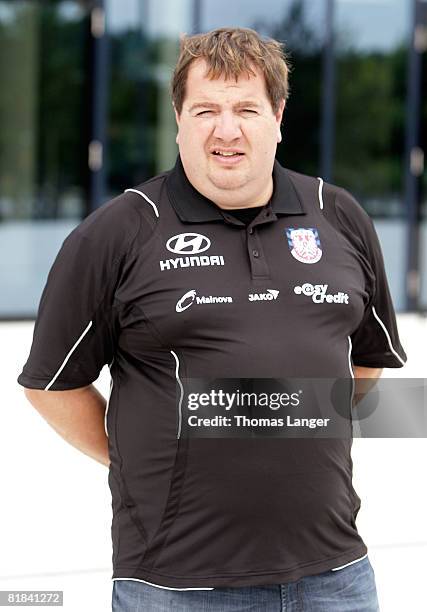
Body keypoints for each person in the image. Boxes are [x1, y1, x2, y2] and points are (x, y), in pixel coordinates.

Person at [18, 27, 407, 612]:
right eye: (206, 109)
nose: (227, 130)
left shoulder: (338, 216)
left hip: (337, 576)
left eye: (246, 108)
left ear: (277, 115)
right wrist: (140, 456)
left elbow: (367, 362)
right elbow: (52, 385)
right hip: (179, 585)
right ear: (178, 116)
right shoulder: (121, 231)